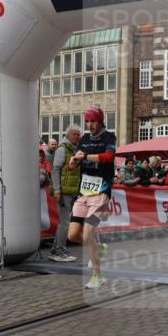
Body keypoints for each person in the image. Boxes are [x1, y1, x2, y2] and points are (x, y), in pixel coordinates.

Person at [68, 107, 116, 289]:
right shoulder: (84, 140)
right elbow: (74, 162)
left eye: (93, 121)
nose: (90, 125)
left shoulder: (109, 137)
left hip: (101, 195)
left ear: (100, 121)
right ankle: (98, 248)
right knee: (73, 235)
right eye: (87, 121)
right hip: (84, 194)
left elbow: (109, 157)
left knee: (88, 234)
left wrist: (86, 156)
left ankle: (98, 276)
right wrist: (73, 162)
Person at [49, 125, 82, 262]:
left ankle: (55, 250)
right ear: (68, 134)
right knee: (65, 222)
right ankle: (59, 251)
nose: (77, 137)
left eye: (78, 134)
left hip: (70, 190)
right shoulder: (62, 149)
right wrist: (57, 190)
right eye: (74, 134)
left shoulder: (73, 149)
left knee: (64, 221)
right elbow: (55, 170)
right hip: (64, 191)